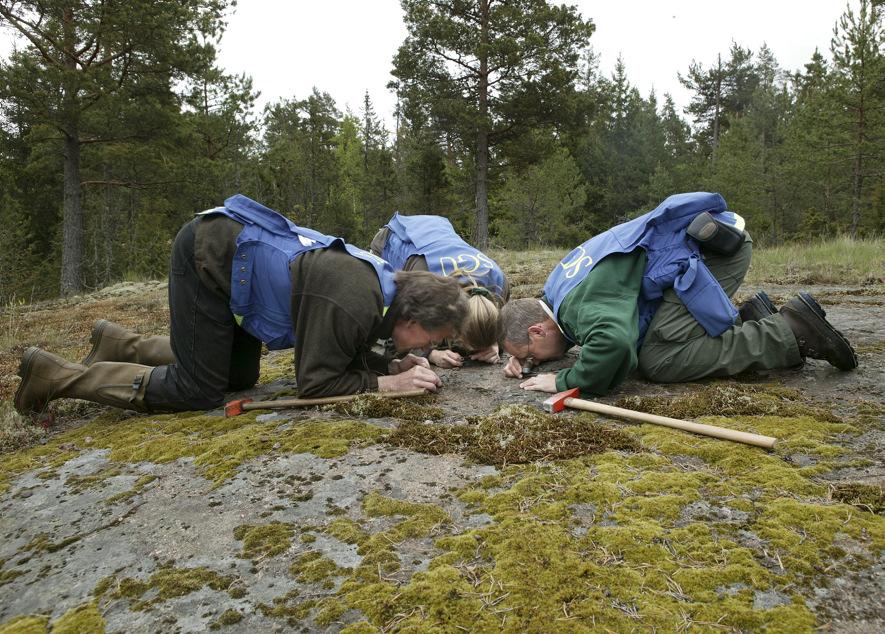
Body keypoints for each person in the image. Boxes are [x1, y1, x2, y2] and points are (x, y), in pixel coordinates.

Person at [14, 195, 468, 417]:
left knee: (239, 376)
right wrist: (386, 385)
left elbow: (342, 349)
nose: (430, 347)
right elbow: (316, 383)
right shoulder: (353, 299)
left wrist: (388, 367)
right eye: (433, 339)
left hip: (236, 262)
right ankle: (56, 376)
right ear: (410, 319)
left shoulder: (380, 292)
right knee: (199, 389)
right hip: (208, 257)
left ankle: (119, 343)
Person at [500, 192, 857, 396]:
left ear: (538, 330)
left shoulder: (578, 308)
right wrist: (521, 356)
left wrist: (566, 379)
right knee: (652, 341)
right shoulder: (557, 289)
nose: (538, 362)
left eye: (532, 354)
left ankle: (789, 332)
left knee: (657, 359)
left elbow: (614, 343)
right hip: (699, 251)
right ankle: (753, 320)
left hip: (717, 251)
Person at [369, 212, 509, 368]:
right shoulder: (424, 283)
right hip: (395, 239)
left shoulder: (500, 282)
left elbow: (499, 328)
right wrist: (430, 354)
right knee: (380, 317)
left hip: (437, 231)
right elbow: (400, 327)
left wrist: (494, 344)